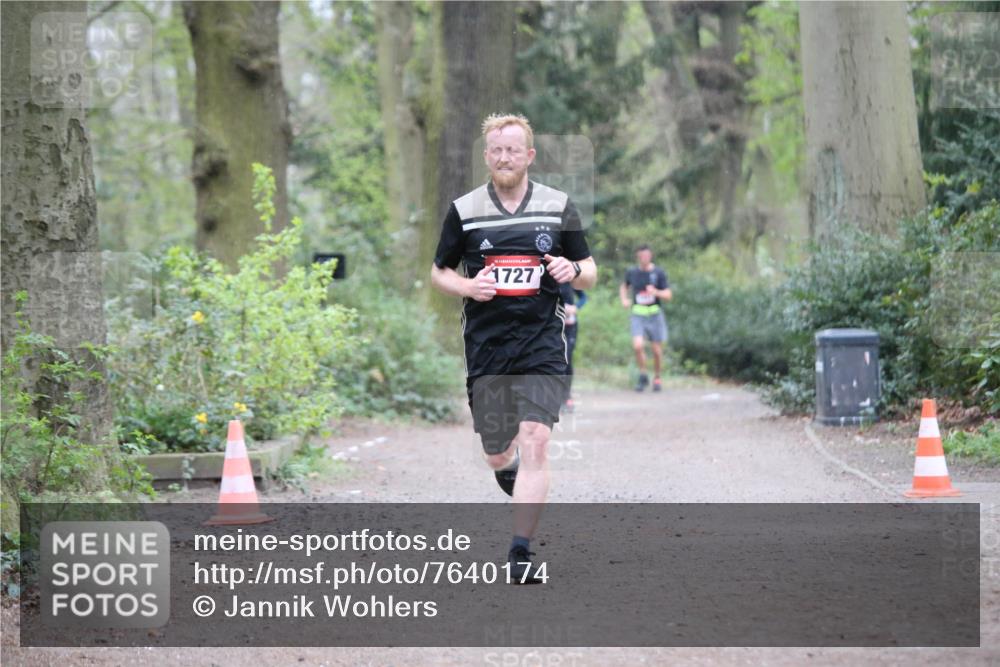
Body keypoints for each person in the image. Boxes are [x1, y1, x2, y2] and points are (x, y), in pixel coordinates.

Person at [430, 113, 597, 583]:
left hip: (542, 343)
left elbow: (589, 270)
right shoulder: (464, 210)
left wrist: (571, 270)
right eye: (497, 150)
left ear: (529, 155)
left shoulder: (557, 206)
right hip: (487, 347)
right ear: (487, 156)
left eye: (513, 150)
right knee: (497, 452)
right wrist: (468, 287)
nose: (505, 157)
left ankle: (520, 554)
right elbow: (439, 272)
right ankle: (508, 469)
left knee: (536, 438)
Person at [619, 245, 671, 392]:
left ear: (651, 256)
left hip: (654, 314)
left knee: (656, 350)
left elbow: (668, 295)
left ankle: (657, 377)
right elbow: (624, 287)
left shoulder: (658, 273)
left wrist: (656, 292)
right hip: (638, 314)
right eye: (641, 256)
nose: (644, 259)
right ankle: (643, 375)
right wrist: (624, 299)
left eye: (647, 256)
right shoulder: (632, 272)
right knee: (638, 346)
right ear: (638, 257)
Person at [558, 283, 579, 412]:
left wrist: (575, 307)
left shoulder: (570, 280)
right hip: (554, 327)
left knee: (567, 359)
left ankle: (567, 396)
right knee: (556, 360)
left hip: (570, 327)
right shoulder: (547, 279)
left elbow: (583, 297)